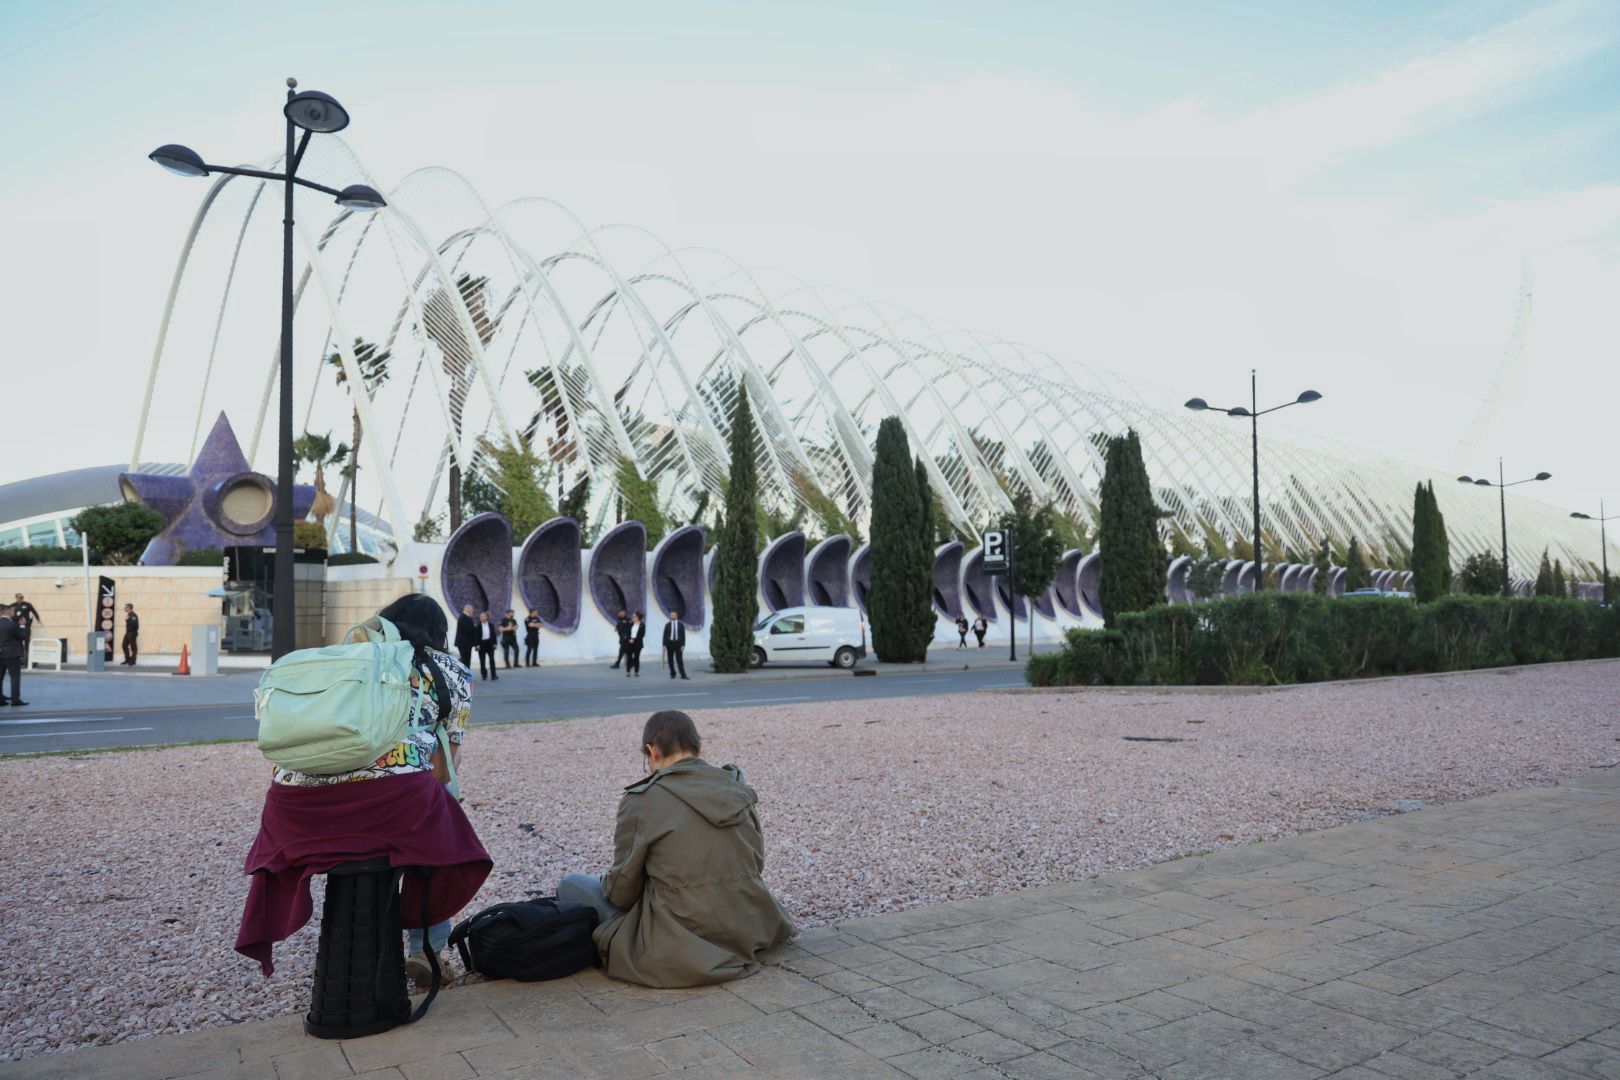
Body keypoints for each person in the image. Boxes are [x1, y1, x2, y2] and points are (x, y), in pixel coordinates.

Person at [238, 593, 488, 986]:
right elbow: (442, 769)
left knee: (427, 808)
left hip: (291, 809)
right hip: (388, 806)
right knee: (440, 825)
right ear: (440, 634)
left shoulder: (343, 658)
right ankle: (427, 948)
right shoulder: (451, 672)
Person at [558, 711, 792, 987]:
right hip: (746, 926)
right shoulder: (734, 786)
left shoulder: (642, 800)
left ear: (652, 751)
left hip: (678, 941)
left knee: (573, 884)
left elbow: (621, 893)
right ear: (697, 746)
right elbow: (756, 863)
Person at [0, 604, 27, 707]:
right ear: (7, 612)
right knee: (15, 678)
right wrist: (22, 625)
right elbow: (23, 636)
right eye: (12, 610)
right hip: (12, 655)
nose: (13, 612)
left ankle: (0, 700)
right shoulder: (12, 625)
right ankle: (15, 700)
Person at [662, 611, 688, 680]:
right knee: (670, 660)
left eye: (674, 615)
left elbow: (683, 635)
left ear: (677, 616)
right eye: (671, 615)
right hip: (669, 644)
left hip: (678, 644)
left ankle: (683, 675)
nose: (672, 616)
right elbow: (664, 635)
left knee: (679, 660)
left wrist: (683, 645)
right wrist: (664, 645)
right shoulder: (667, 625)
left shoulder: (680, 625)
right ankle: (672, 673)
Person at [475, 611, 498, 681]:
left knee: (492, 659)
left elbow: (493, 634)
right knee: (482, 661)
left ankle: (493, 675)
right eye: (480, 616)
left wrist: (495, 643)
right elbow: (475, 636)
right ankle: (484, 675)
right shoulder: (478, 625)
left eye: (483, 616)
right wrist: (477, 644)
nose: (481, 617)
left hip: (489, 644)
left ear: (486, 617)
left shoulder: (491, 625)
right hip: (481, 644)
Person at [624, 611, 645, 677]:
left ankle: (636, 672)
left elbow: (642, 635)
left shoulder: (642, 625)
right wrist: (629, 639)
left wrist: (634, 639)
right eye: (632, 616)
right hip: (629, 643)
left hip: (637, 643)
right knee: (629, 658)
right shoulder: (630, 624)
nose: (632, 617)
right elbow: (627, 633)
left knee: (636, 658)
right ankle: (628, 672)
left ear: (638, 617)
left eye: (634, 616)